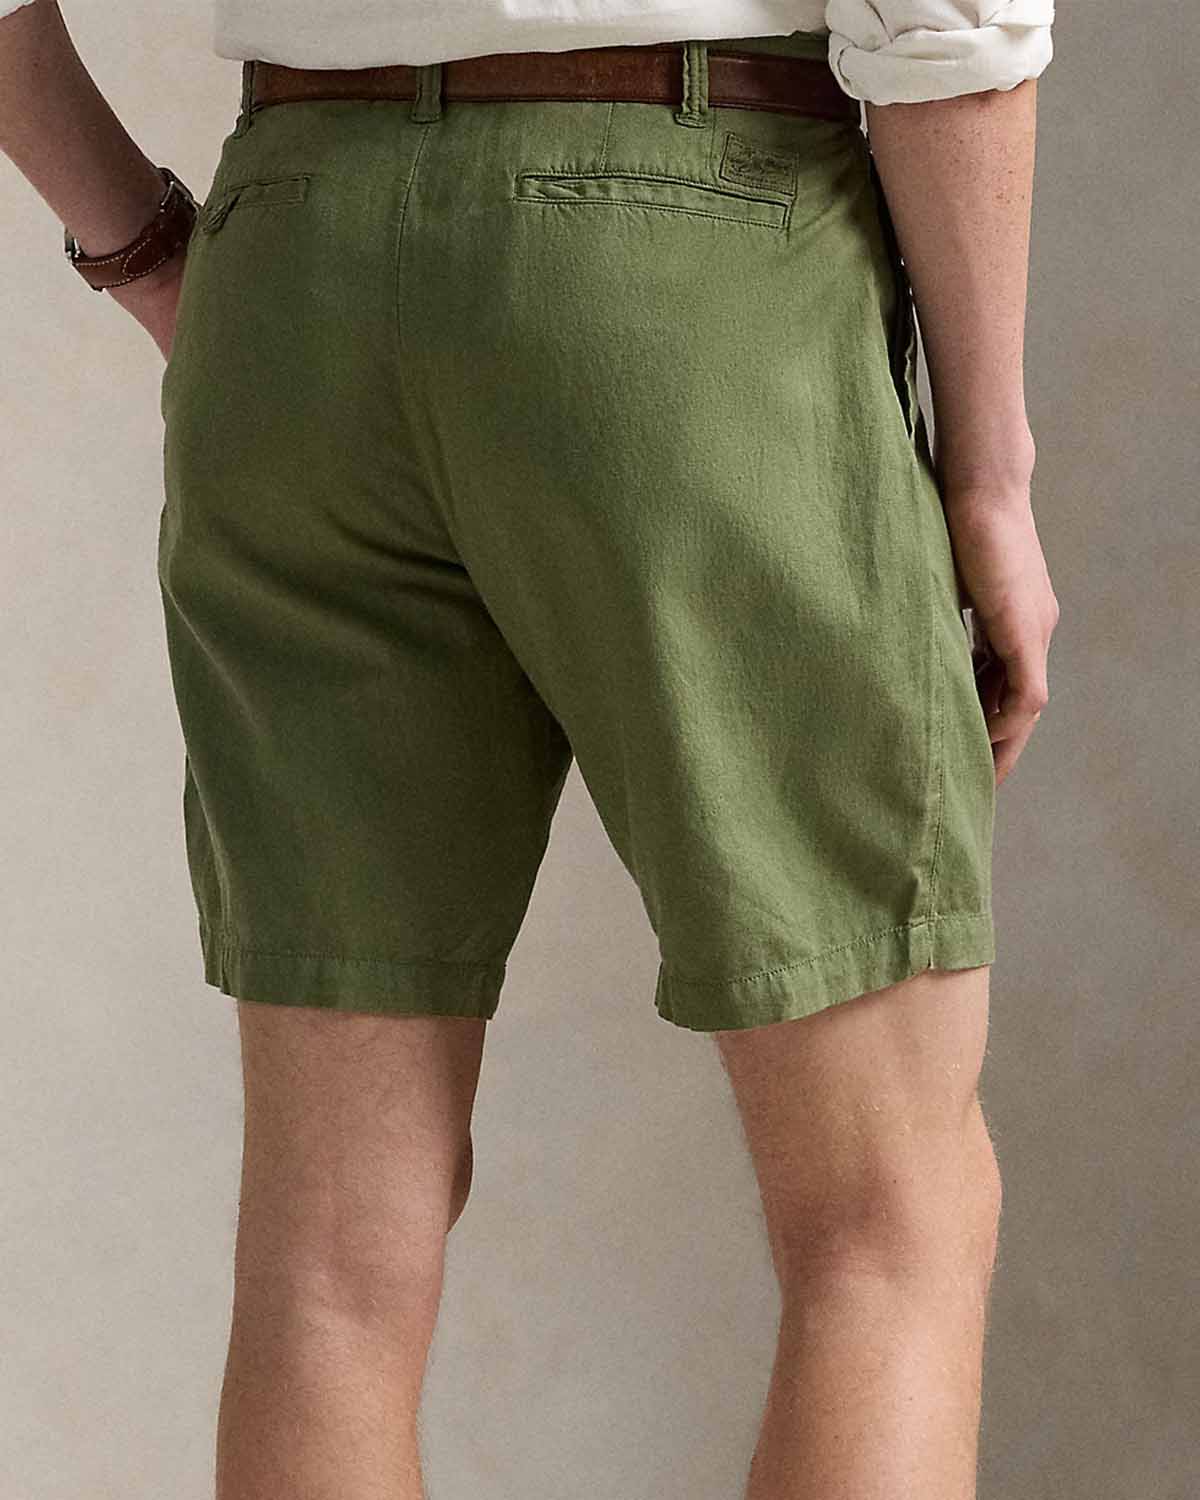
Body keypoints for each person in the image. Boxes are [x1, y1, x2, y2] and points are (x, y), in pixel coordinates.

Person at [0, 2, 1060, 1497]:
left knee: (330, 1262)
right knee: (886, 1220)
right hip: (689, 253)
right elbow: (949, 25)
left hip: (295, 262)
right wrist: (990, 470)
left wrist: (146, 247)